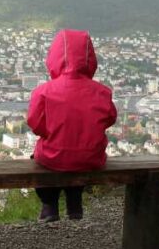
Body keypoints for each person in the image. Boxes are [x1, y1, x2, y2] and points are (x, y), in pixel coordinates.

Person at [27, 28, 117, 222]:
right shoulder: (102, 92)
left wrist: (51, 133)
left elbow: (35, 124)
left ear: (54, 57)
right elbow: (110, 119)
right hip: (90, 157)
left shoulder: (43, 91)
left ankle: (49, 205)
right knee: (78, 159)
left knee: (42, 159)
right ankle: (74, 201)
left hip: (53, 155)